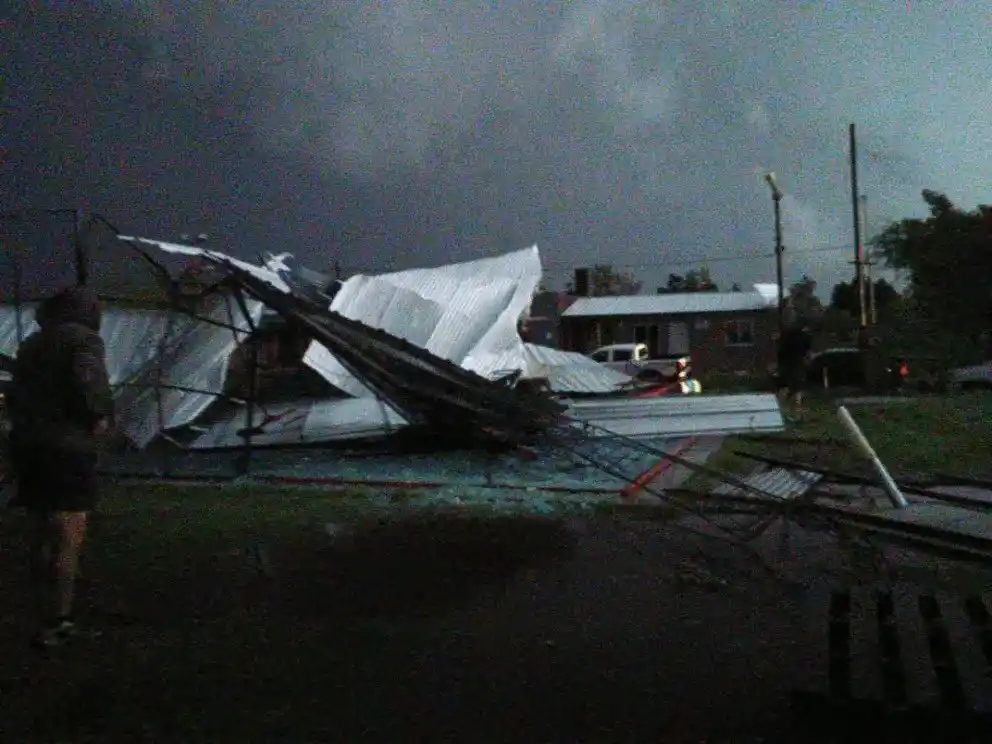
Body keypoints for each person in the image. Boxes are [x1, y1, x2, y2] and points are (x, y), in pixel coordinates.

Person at [7, 286, 113, 648]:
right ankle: (58, 621)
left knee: (41, 531)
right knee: (69, 534)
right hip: (67, 448)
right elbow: (89, 382)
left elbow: (17, 394)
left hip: (29, 446)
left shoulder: (32, 344)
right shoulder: (83, 341)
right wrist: (99, 414)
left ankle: (41, 612)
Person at [776, 319, 813, 417]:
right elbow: (808, 352)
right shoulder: (805, 337)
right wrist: (808, 360)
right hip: (797, 363)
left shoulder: (786, 335)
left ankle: (779, 408)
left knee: (784, 386)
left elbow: (780, 350)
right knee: (798, 387)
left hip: (785, 364)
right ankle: (796, 410)